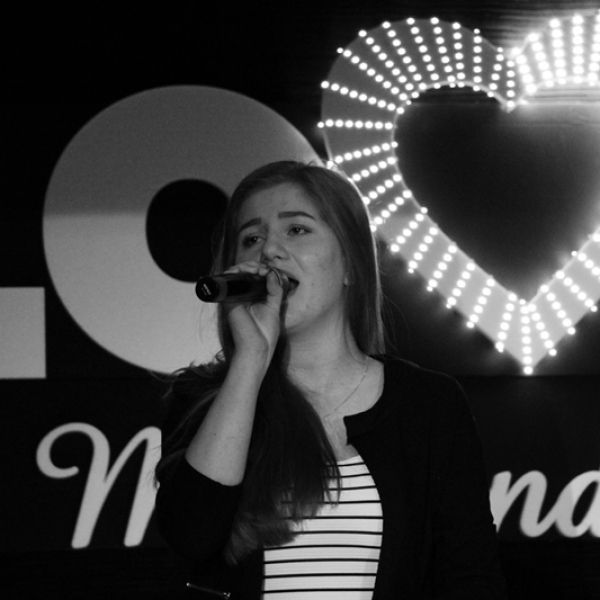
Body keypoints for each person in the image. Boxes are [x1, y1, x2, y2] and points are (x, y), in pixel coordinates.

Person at [154, 160, 507, 599]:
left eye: (296, 229)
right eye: (252, 238)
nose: (270, 251)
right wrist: (251, 359)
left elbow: (470, 575)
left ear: (350, 265)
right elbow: (190, 536)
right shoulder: (204, 398)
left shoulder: (428, 404)